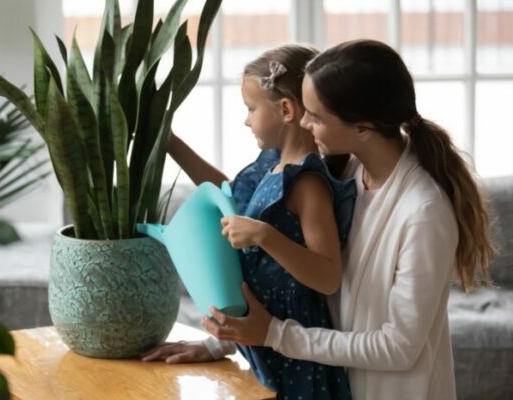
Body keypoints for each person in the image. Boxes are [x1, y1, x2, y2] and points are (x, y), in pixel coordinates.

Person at [196, 39, 496, 400]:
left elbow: (398, 347)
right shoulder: (348, 173)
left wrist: (275, 334)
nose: (304, 123)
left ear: (363, 127)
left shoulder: (424, 213)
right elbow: (297, 291)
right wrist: (226, 343)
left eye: (316, 116)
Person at [142, 44, 356, 399]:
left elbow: (328, 275)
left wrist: (265, 236)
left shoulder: (307, 182)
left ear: (285, 109)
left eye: (251, 108)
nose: (246, 119)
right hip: (262, 343)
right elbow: (224, 194)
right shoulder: (272, 162)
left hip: (296, 355)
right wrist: (171, 143)